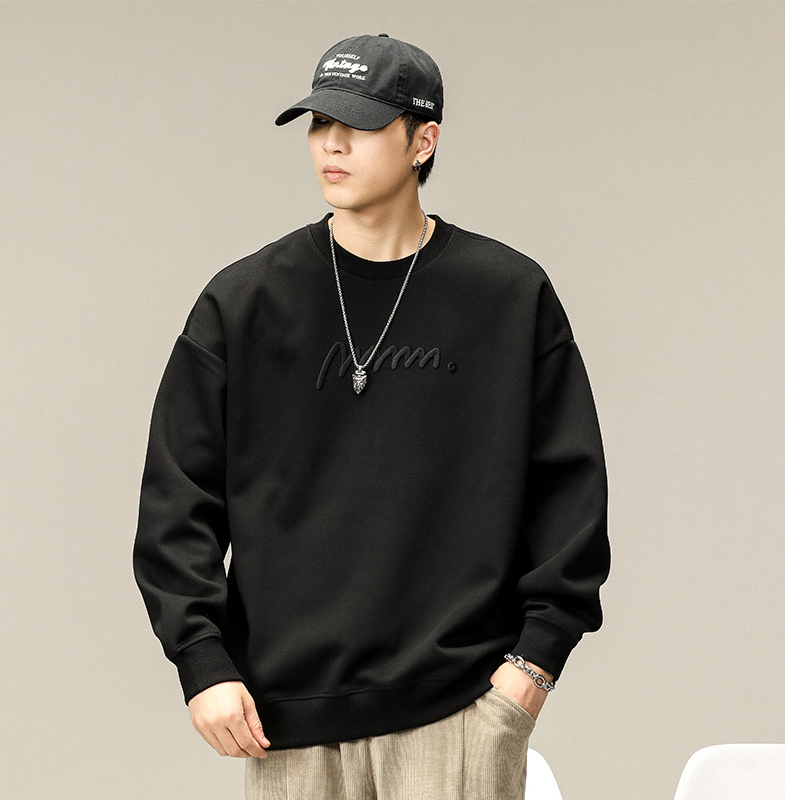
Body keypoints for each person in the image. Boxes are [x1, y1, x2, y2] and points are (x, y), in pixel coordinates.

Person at [133, 32, 610, 800]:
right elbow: (176, 500)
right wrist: (203, 662)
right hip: (285, 719)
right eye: (320, 122)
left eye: (358, 123)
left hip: (456, 709)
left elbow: (571, 493)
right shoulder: (244, 303)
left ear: (424, 141)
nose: (332, 143)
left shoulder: (506, 296)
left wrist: (531, 670)